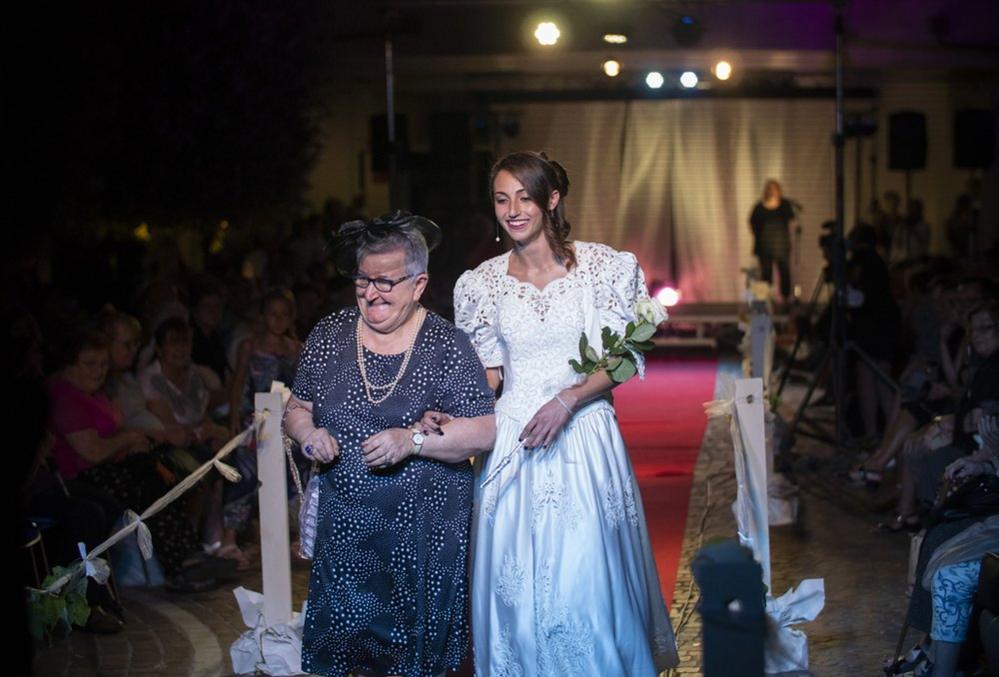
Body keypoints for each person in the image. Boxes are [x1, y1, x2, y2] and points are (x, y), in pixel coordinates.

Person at [437, 151, 678, 675]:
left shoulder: (604, 268)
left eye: (524, 196)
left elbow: (625, 356)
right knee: (516, 579)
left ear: (551, 199)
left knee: (583, 574)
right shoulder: (481, 284)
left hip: (584, 435)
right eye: (502, 199)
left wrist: (568, 400)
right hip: (514, 442)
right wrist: (450, 410)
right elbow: (492, 375)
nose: (513, 209)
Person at [284, 211, 496, 677]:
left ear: (419, 284)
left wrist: (412, 440)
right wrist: (308, 435)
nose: (372, 292)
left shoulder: (447, 345)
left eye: (386, 281)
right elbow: (296, 408)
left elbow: (484, 429)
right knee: (344, 656)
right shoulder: (330, 335)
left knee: (411, 659)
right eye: (363, 280)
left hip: (421, 540)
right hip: (345, 539)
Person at [749, 178, 797, 303]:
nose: (773, 191)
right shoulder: (759, 207)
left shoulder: (785, 205)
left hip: (781, 245)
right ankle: (763, 301)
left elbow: (792, 222)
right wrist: (759, 236)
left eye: (775, 188)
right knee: (765, 274)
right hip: (765, 246)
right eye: (770, 189)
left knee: (784, 273)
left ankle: (786, 298)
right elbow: (752, 223)